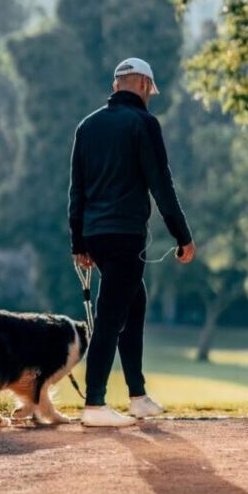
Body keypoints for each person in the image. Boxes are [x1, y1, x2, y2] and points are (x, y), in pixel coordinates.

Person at [68, 57, 195, 427]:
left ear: (115, 85)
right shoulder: (144, 123)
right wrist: (182, 236)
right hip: (125, 235)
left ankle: (137, 396)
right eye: (149, 91)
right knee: (111, 315)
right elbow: (161, 184)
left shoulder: (86, 126)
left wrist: (78, 242)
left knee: (133, 303)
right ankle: (94, 404)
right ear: (142, 84)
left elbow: (76, 191)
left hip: (95, 234)